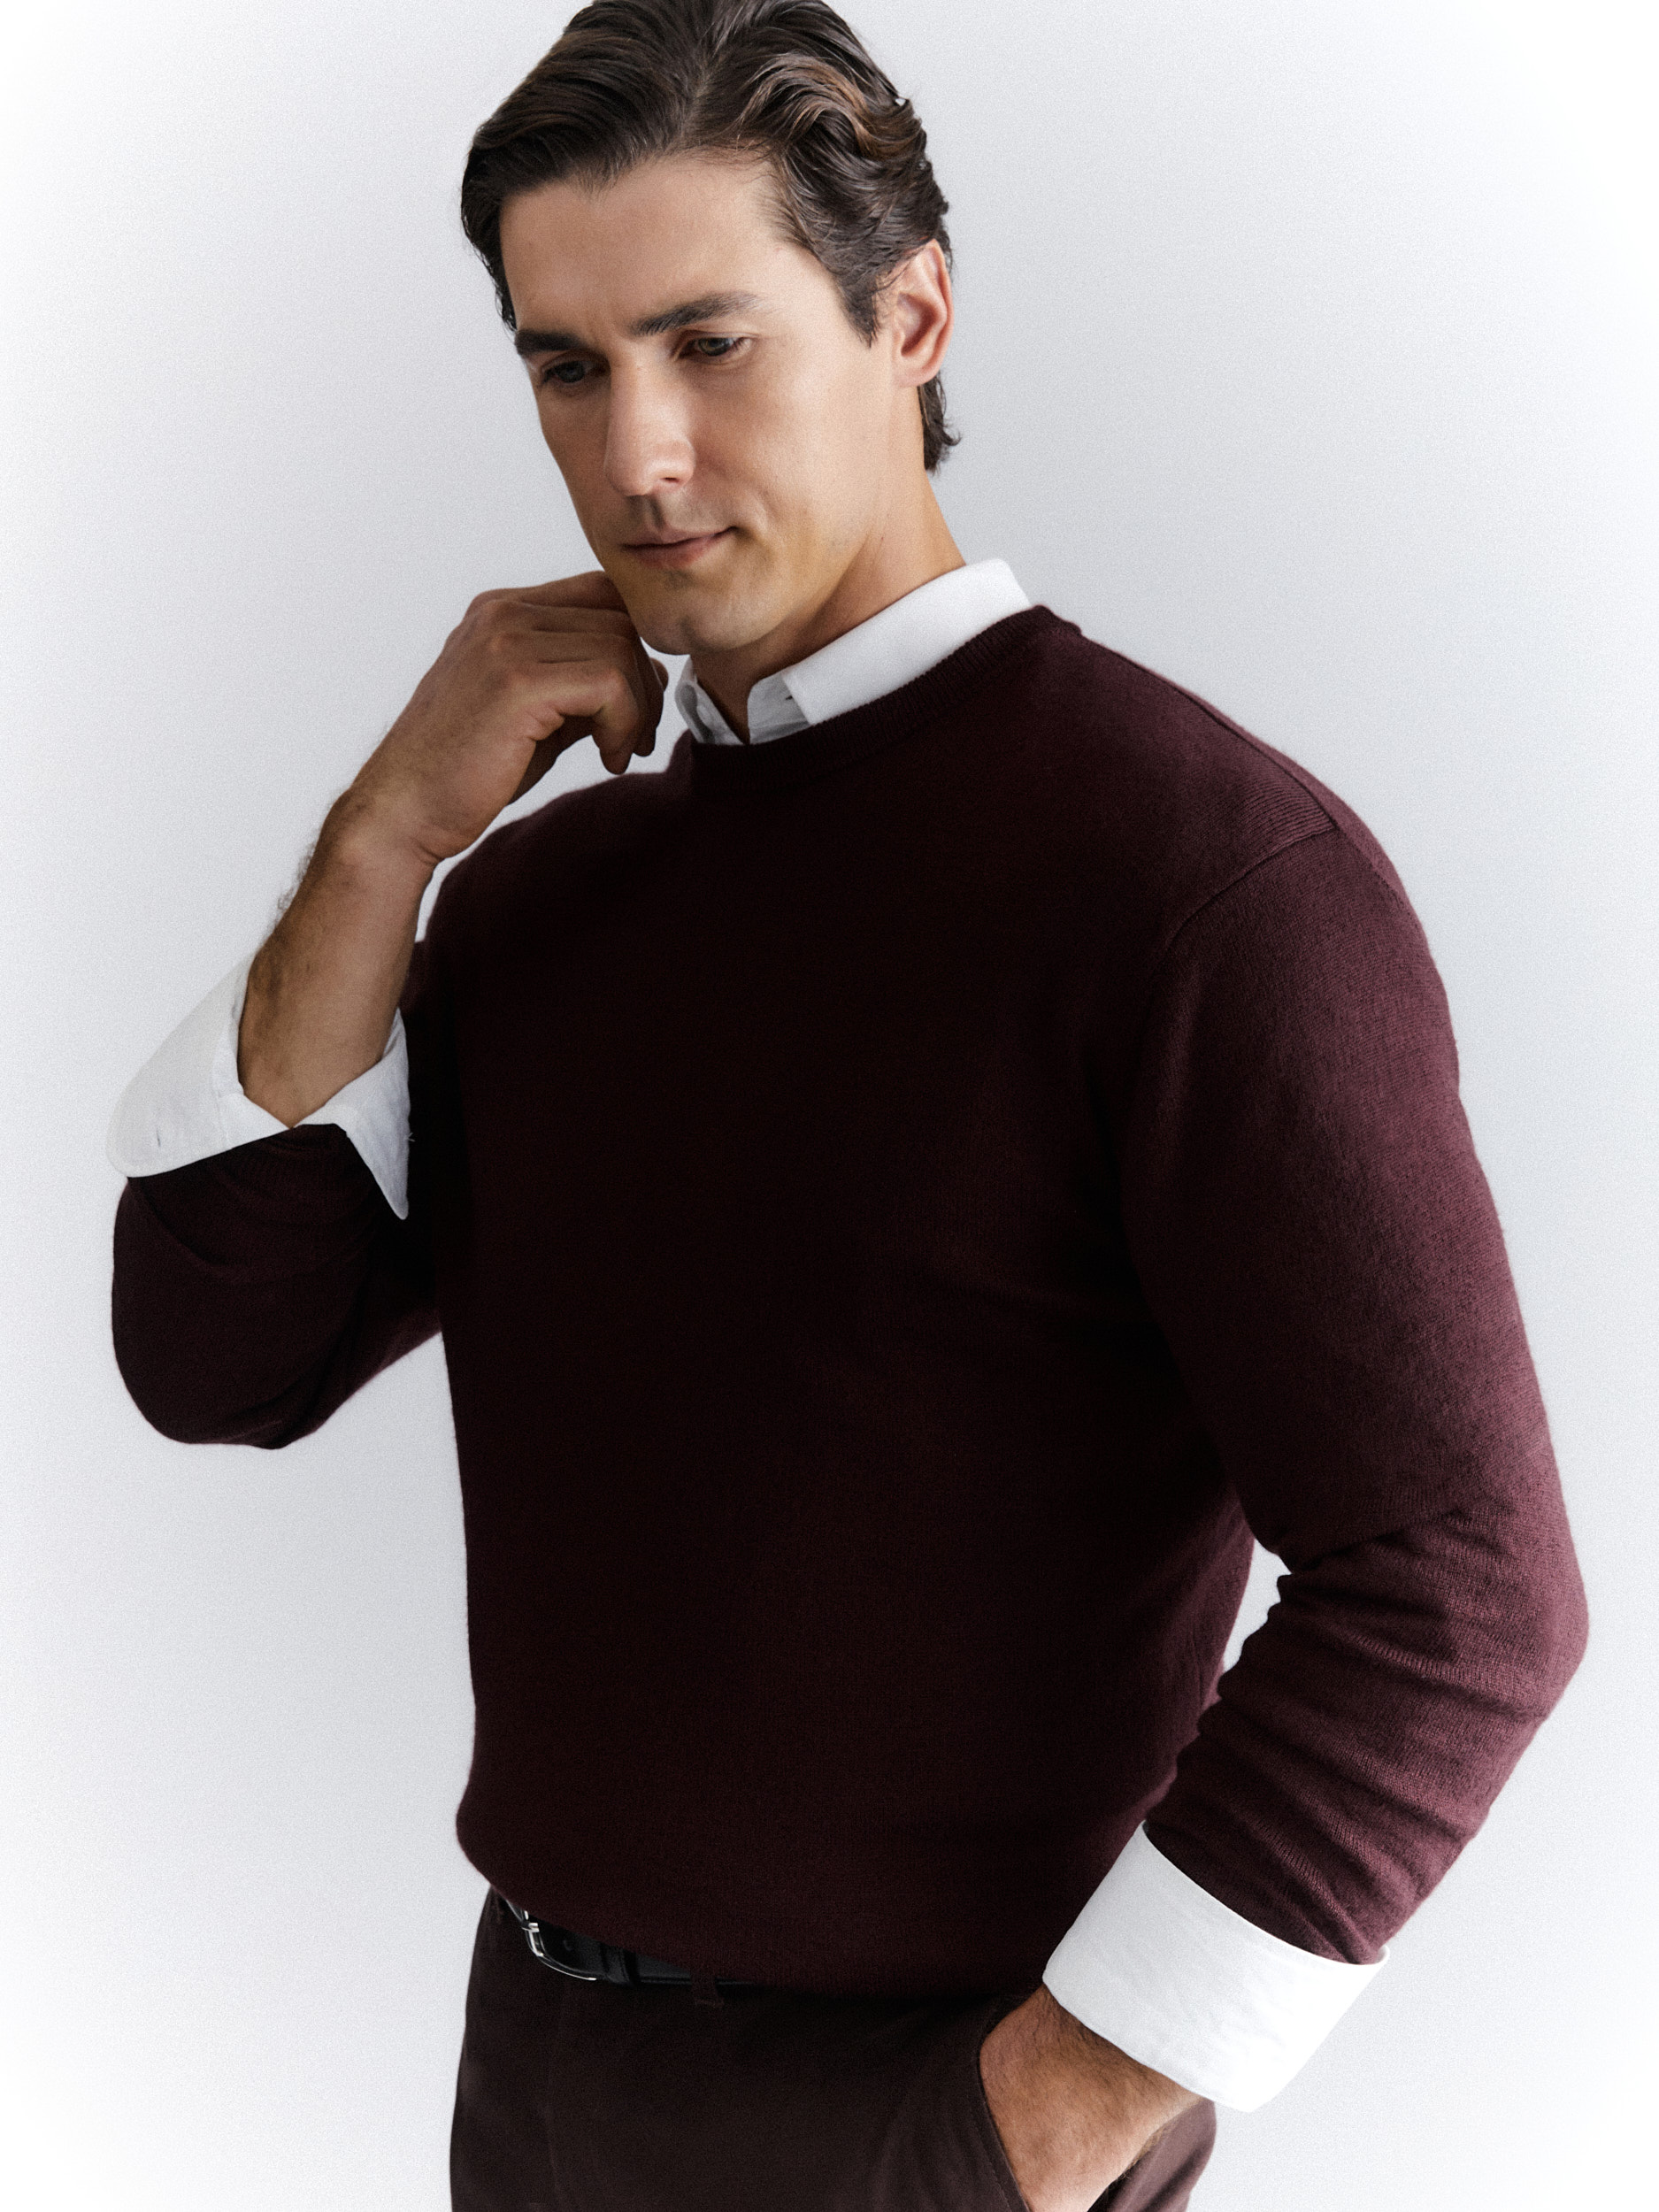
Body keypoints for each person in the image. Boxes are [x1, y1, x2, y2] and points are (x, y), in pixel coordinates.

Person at [106, 4, 1588, 2207]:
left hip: (923, 2109)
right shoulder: (547, 896)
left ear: (910, 315)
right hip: (533, 2066)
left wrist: (1036, 2126)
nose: (638, 457)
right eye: (566, 367)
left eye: (708, 343)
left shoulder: (1198, 881)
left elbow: (1460, 1587)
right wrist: (385, 834)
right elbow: (219, 1355)